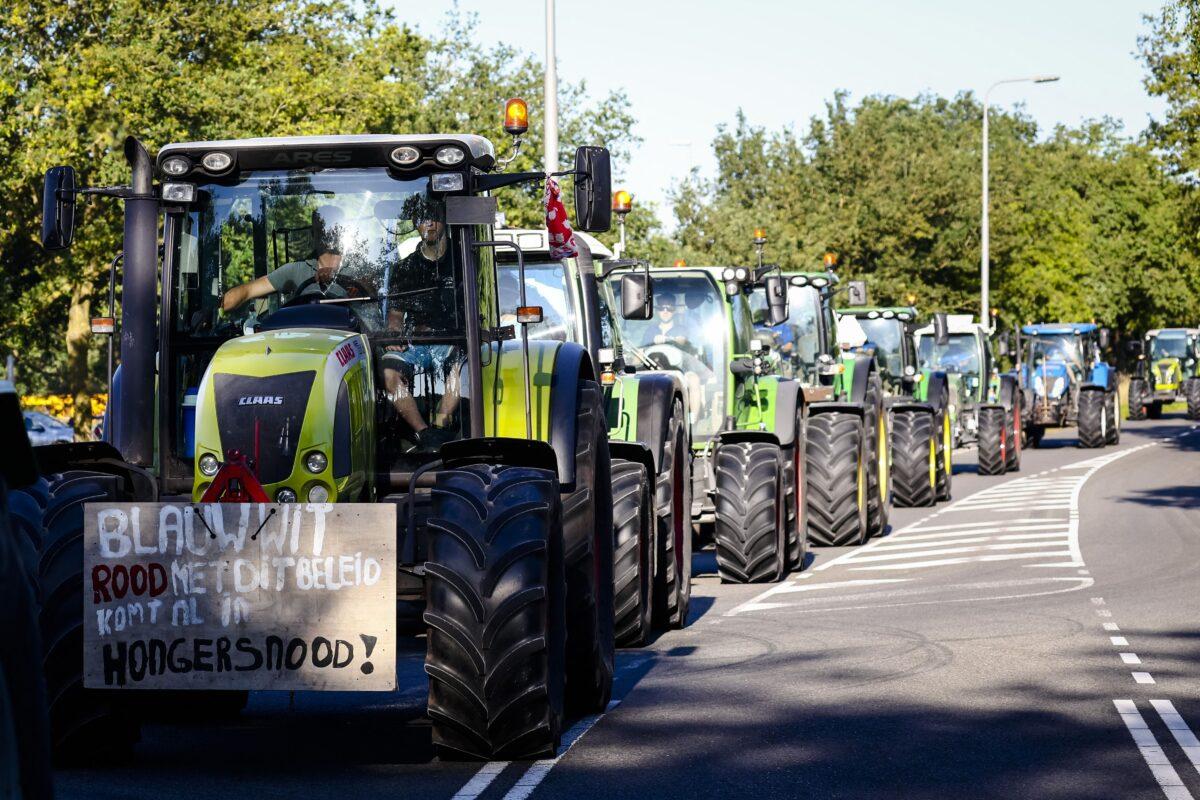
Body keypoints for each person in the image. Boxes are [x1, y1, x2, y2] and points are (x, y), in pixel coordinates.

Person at [380, 195, 463, 448]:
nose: (428, 224)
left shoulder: (463, 261)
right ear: (416, 224)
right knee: (389, 369)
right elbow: (395, 314)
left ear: (445, 221)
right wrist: (394, 333)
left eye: (434, 218)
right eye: (422, 219)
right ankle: (425, 433)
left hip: (456, 340)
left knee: (463, 365)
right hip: (417, 343)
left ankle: (440, 424)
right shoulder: (405, 268)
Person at [220, 206, 353, 311]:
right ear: (312, 233)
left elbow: (371, 292)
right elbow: (248, 291)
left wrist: (340, 278)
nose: (326, 234)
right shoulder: (296, 270)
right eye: (320, 230)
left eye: (331, 229)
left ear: (341, 232)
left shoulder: (356, 267)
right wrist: (219, 306)